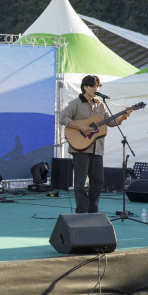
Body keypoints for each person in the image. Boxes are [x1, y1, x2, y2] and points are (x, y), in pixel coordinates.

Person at [59, 75, 132, 213]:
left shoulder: (100, 104)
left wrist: (123, 116)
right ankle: (82, 212)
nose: (96, 88)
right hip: (80, 148)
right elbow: (62, 117)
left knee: (98, 182)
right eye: (93, 86)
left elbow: (110, 122)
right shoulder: (76, 103)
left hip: (97, 148)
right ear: (85, 87)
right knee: (80, 183)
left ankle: (93, 212)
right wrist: (81, 127)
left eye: (98, 86)